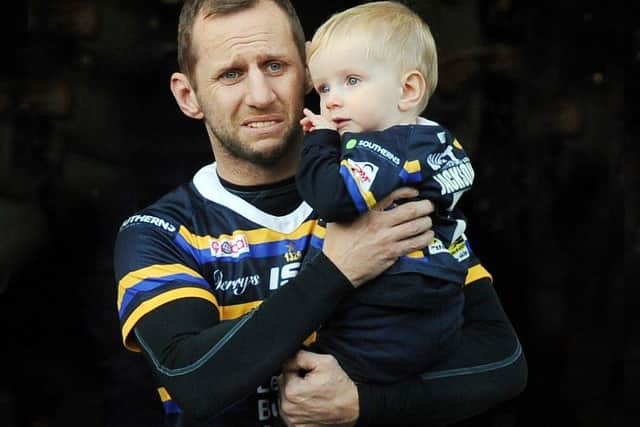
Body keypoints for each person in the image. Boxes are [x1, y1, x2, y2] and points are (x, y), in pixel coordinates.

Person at [113, 1, 527, 426]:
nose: (260, 96)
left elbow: (502, 358)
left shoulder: (382, 186)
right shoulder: (158, 233)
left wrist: (364, 403)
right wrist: (337, 269)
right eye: (231, 74)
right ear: (188, 95)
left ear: (309, 72)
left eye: (276, 66)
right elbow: (194, 381)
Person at [296, 1, 474, 384]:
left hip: (392, 301)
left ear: (408, 89)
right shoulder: (435, 138)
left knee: (307, 371)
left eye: (352, 81)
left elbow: (333, 197)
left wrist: (319, 143)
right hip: (440, 301)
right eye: (323, 87)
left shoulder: (381, 146)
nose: (331, 100)